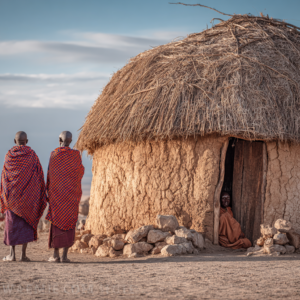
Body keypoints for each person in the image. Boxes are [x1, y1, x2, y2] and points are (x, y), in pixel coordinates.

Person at [0, 131, 47, 261]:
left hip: (12, 199)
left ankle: (12, 255)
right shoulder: (32, 156)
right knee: (26, 223)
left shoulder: (9, 156)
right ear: (27, 141)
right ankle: (23, 255)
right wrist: (37, 193)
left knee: (12, 225)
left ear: (15, 141)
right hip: (28, 197)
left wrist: (5, 196)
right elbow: (39, 176)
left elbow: (4, 178)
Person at [46, 131, 84, 263]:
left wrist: (49, 191)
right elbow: (80, 172)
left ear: (59, 140)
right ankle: (64, 256)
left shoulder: (54, 154)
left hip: (57, 196)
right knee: (69, 222)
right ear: (71, 140)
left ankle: (56, 255)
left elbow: (50, 175)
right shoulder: (76, 155)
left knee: (57, 222)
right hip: (71, 196)